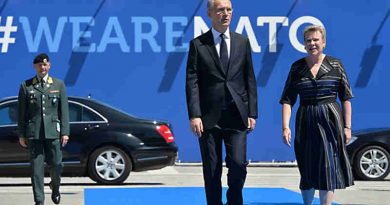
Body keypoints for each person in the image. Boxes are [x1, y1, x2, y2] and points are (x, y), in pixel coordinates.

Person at [185, 0, 257, 204]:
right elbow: (192, 82)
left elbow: (249, 78)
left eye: (229, 10)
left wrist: (252, 112)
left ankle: (234, 200)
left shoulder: (242, 42)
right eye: (220, 10)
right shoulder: (198, 45)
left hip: (237, 115)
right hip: (209, 117)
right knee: (212, 169)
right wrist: (194, 114)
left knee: (238, 164)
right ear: (209, 13)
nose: (225, 14)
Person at [280, 25, 354, 205]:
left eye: (315, 40)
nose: (312, 43)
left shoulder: (336, 65)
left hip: (330, 120)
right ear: (304, 44)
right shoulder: (297, 67)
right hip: (306, 120)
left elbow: (346, 98)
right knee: (307, 167)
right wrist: (285, 127)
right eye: (308, 40)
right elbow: (287, 100)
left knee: (328, 167)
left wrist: (347, 127)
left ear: (324, 42)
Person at [18, 53, 70, 205]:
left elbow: (64, 111)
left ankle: (55, 187)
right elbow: (22, 113)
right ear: (35, 66)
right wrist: (22, 134)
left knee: (57, 164)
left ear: (50, 66)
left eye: (45, 65)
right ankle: (39, 200)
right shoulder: (26, 86)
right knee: (36, 170)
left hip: (53, 133)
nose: (43, 67)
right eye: (40, 65)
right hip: (34, 134)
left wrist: (65, 132)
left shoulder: (58, 84)